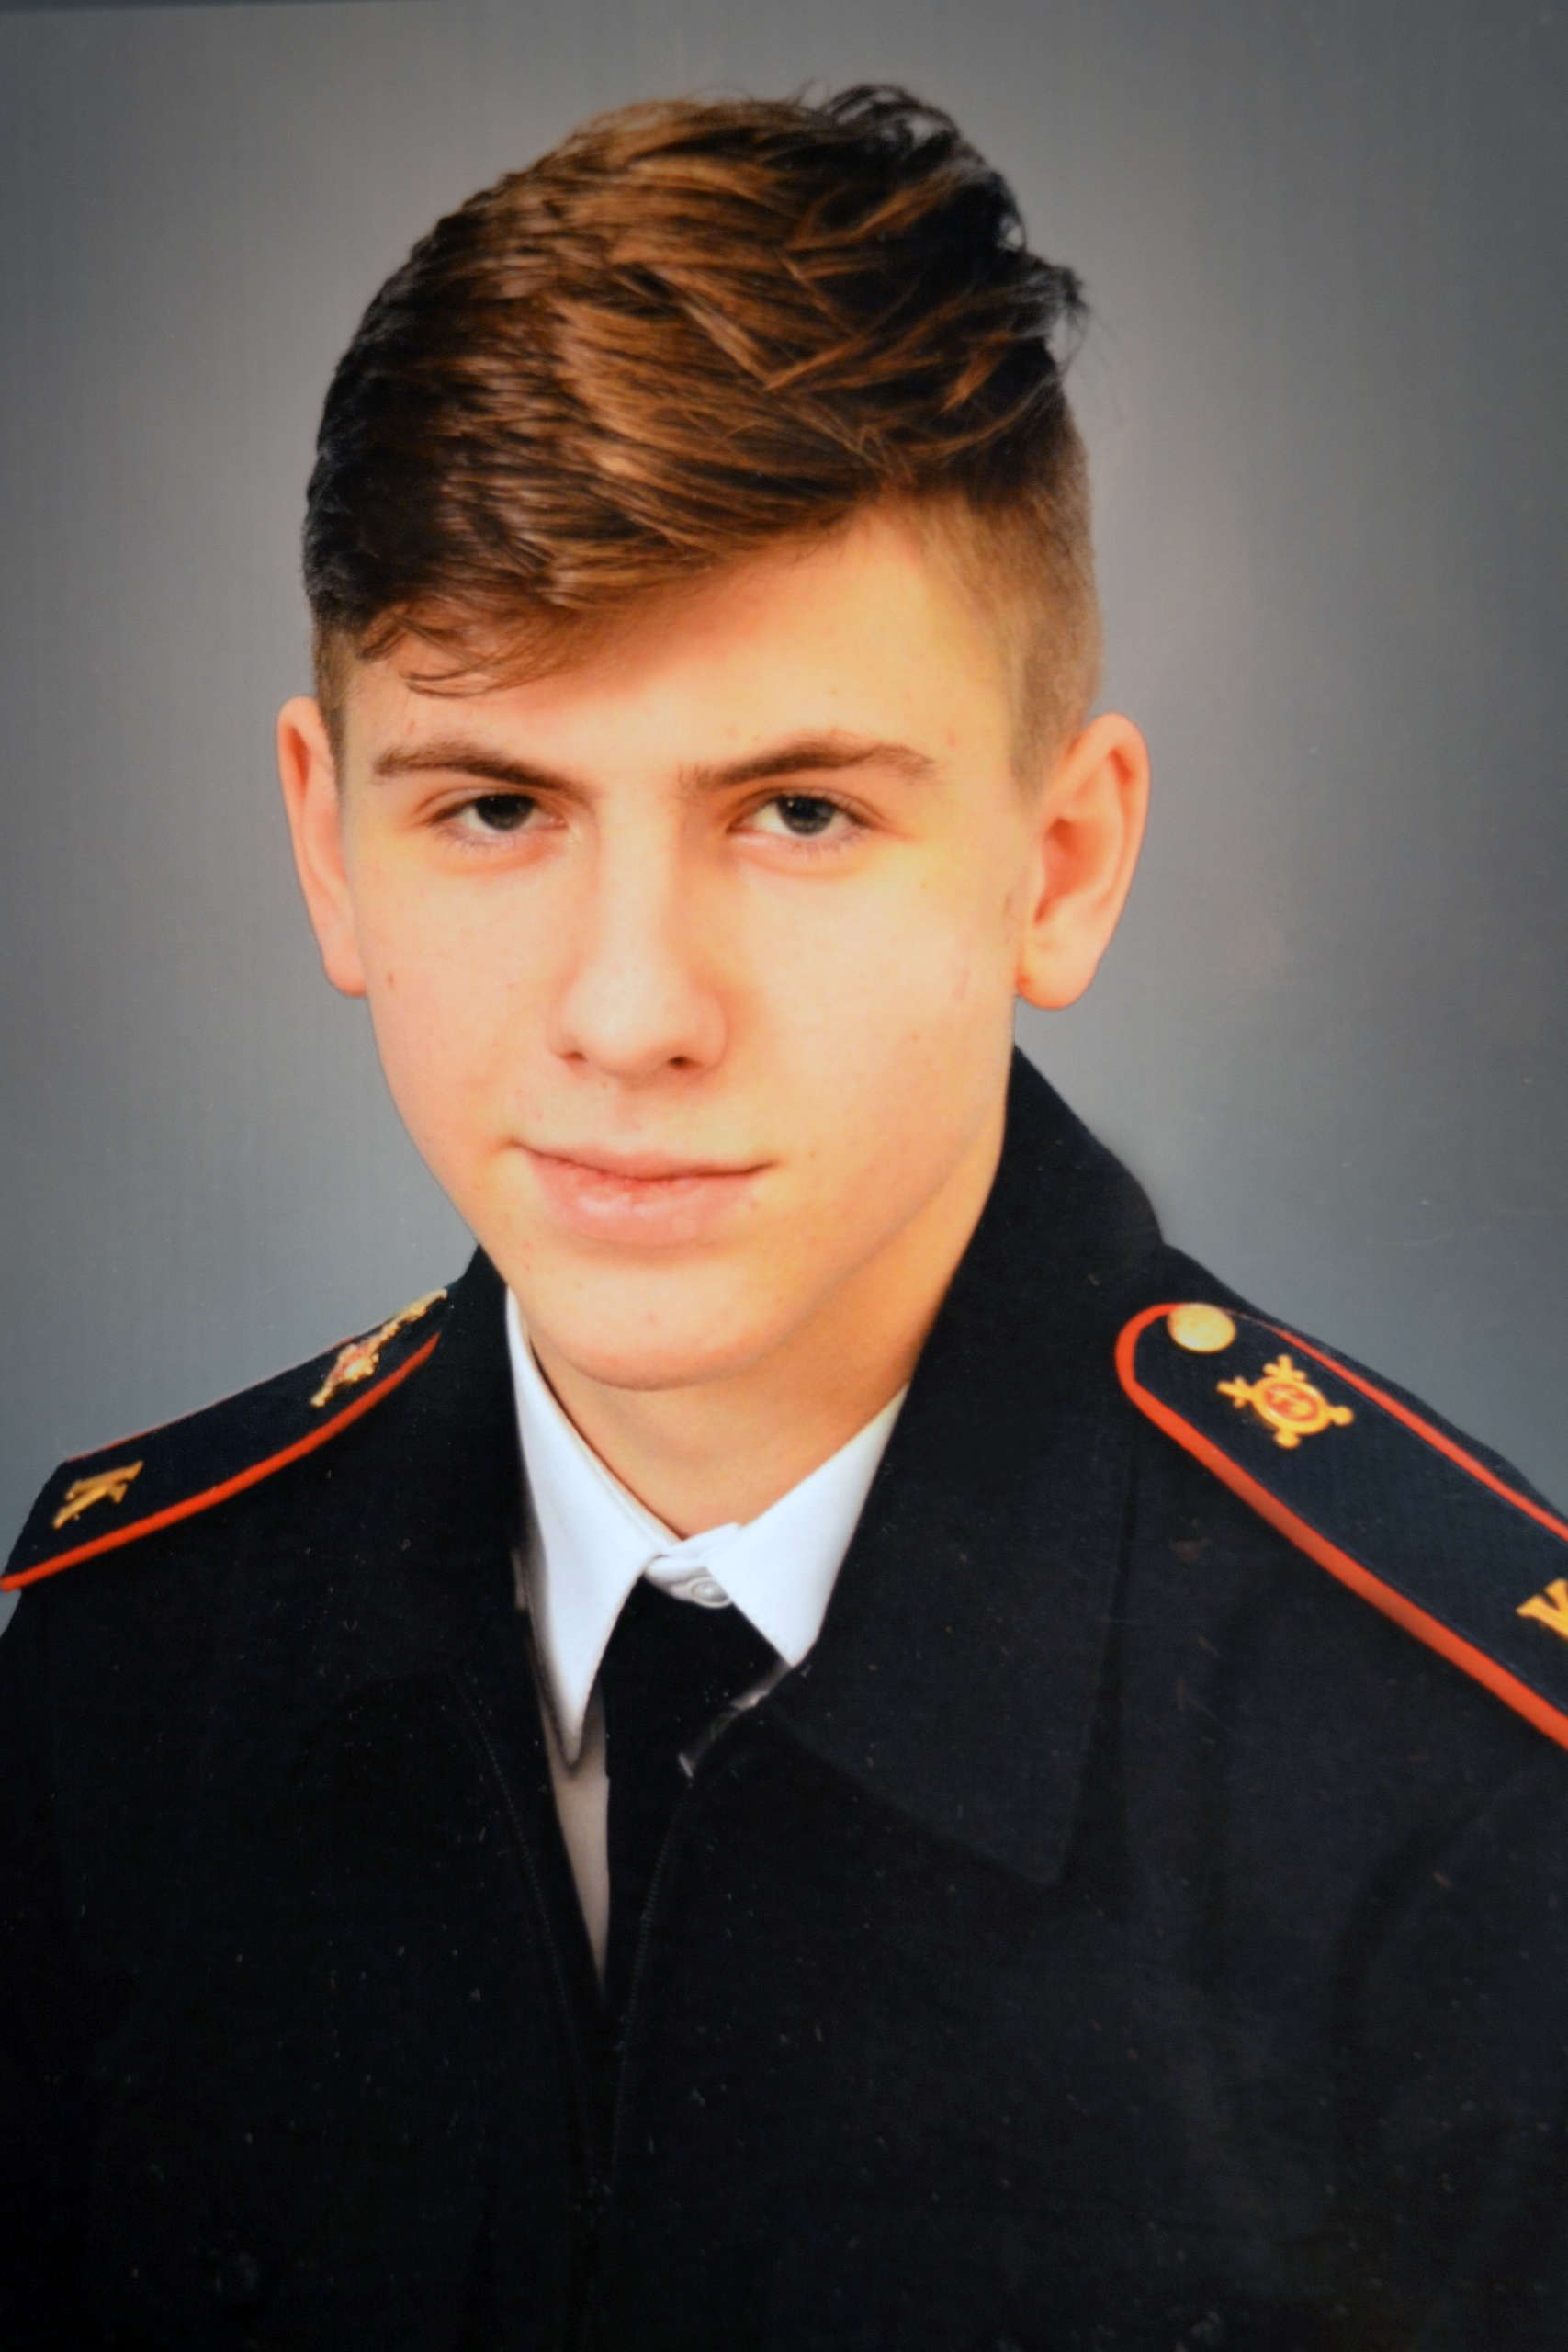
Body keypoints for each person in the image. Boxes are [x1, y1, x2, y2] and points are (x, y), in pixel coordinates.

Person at [3, 81, 1566, 2352]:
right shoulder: (115, 1671)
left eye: (800, 811)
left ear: (1058, 863)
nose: (631, 1011)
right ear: (328, 844)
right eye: (496, 804)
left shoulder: (1466, 1806)